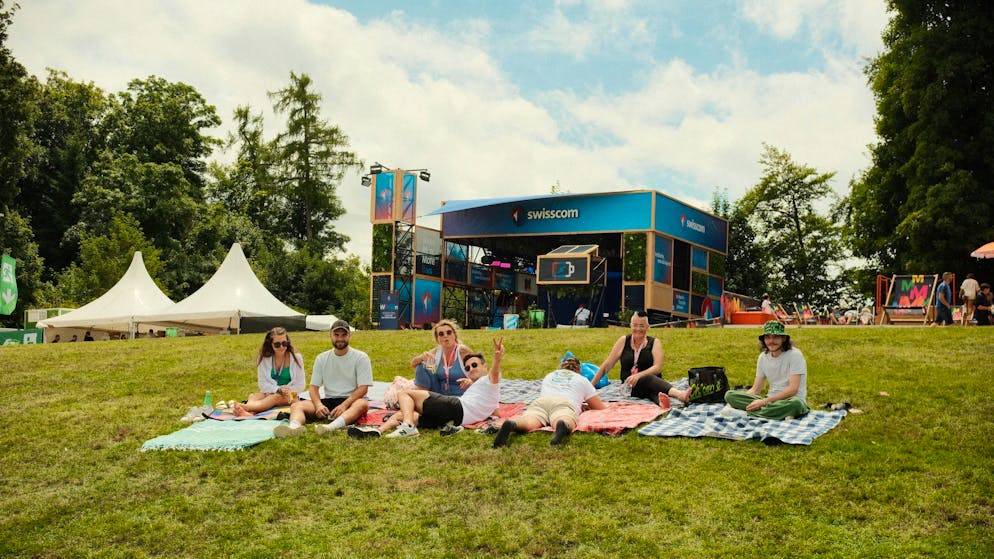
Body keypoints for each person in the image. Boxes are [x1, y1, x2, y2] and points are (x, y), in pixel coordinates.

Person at [350, 337, 505, 439]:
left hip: (457, 408)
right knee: (406, 413)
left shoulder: (489, 380)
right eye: (467, 367)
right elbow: (496, 411)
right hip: (453, 418)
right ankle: (378, 431)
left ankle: (408, 427)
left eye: (474, 365)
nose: (470, 368)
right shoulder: (485, 390)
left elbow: (495, 372)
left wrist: (497, 358)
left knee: (405, 393)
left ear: (485, 366)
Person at [274, 320, 372, 437]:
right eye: (336, 335)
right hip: (329, 402)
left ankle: (330, 427)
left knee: (363, 404)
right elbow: (313, 388)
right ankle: (293, 428)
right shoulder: (321, 358)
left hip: (351, 402)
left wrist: (344, 405)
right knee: (296, 405)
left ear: (349, 336)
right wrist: (319, 405)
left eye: (344, 335)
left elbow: (363, 389)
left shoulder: (361, 357)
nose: (340, 338)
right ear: (330, 336)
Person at [493, 355, 606, 448]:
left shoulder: (549, 375)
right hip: (563, 403)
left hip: (541, 402)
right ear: (579, 370)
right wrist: (581, 405)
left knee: (529, 421)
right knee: (563, 417)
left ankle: (513, 424)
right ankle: (562, 425)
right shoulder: (582, 380)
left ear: (560, 367)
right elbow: (599, 406)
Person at [589, 311, 690, 408]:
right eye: (635, 325)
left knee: (650, 384)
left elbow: (657, 367)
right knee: (649, 382)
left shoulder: (654, 342)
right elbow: (606, 366)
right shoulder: (623, 341)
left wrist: (638, 375)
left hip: (654, 383)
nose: (638, 329)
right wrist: (590, 386)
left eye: (642, 326)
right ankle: (679, 395)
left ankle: (662, 401)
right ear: (630, 326)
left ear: (647, 326)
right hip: (631, 387)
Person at [724, 321, 809, 420]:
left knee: (796, 405)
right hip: (770, 400)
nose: (771, 341)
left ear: (784, 339)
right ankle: (772, 413)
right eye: (768, 337)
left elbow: (793, 390)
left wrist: (764, 402)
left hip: (790, 400)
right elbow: (756, 389)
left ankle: (747, 415)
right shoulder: (762, 357)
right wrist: (744, 400)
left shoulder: (795, 355)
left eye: (775, 337)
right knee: (729, 395)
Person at [233, 327, 306, 417]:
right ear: (270, 344)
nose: (282, 347)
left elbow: (301, 384)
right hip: (271, 391)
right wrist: (277, 390)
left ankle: (246, 407)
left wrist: (287, 391)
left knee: (275, 397)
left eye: (284, 343)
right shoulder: (263, 358)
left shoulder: (296, 358)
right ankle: (249, 413)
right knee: (254, 396)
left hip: (292, 395)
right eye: (277, 344)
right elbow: (262, 383)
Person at [410, 319, 474, 396]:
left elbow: (480, 372)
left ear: (454, 335)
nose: (445, 335)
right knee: (421, 365)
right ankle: (422, 398)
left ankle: (423, 401)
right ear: (437, 340)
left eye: (449, 332)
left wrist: (471, 381)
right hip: (440, 392)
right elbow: (413, 364)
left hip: (461, 393)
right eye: (441, 334)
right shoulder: (437, 351)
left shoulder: (463, 351)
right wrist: (421, 357)